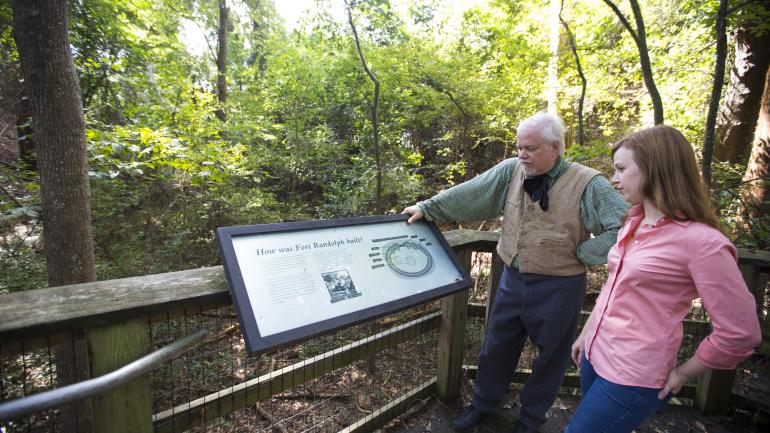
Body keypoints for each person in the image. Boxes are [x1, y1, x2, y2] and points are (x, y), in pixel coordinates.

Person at [402, 112, 628, 433]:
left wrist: (583, 253)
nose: (522, 154)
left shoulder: (588, 182)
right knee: (496, 346)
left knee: (551, 358)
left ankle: (531, 419)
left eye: (530, 148)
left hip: (560, 286)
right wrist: (428, 208)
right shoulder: (512, 170)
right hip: (512, 279)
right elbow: (472, 192)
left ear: (556, 147)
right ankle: (482, 404)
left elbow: (624, 228)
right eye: (519, 146)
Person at [564, 125, 762, 433]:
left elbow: (741, 332)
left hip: (634, 375)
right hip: (595, 355)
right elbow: (612, 286)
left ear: (655, 169)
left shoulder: (702, 242)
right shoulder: (634, 222)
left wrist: (684, 373)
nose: (614, 179)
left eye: (621, 169)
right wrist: (586, 335)